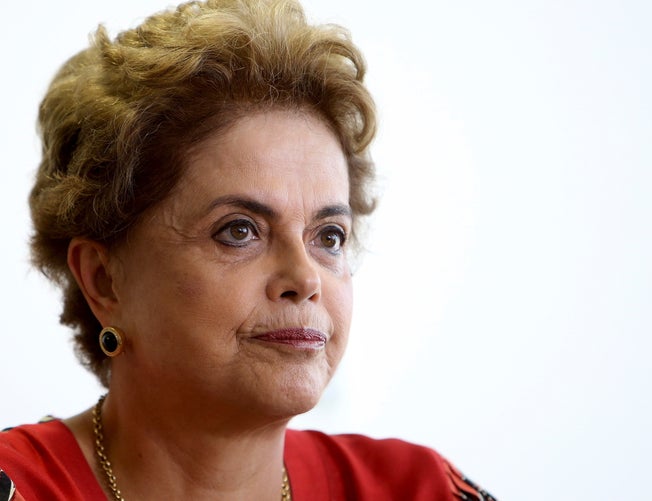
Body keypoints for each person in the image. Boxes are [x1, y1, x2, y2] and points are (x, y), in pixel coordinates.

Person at [0, 1, 496, 499]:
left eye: (329, 236)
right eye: (239, 231)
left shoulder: (418, 489)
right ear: (104, 280)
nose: (305, 279)